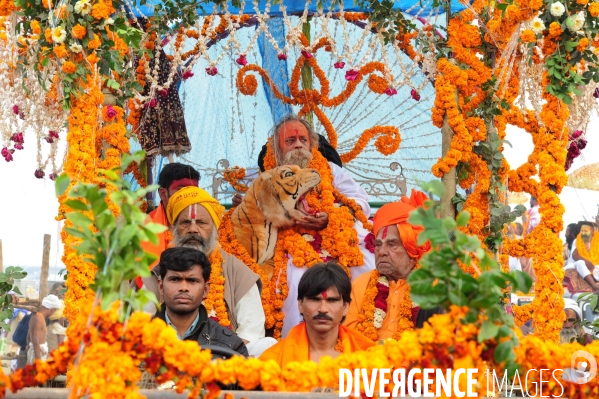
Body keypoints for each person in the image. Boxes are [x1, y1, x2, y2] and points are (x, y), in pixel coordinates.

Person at [234, 115, 375, 337]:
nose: (298, 144)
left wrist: (331, 216)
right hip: (288, 241)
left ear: (312, 144)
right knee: (294, 278)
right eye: (290, 140)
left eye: (303, 140)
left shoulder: (330, 170)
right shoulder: (267, 178)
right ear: (277, 149)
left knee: (367, 263)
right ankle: (297, 342)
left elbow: (359, 202)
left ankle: (361, 334)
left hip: (336, 233)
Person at [149, 186, 275, 356]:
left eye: (201, 223)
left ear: (215, 230)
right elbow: (140, 325)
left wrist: (216, 359)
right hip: (165, 356)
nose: (193, 229)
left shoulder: (237, 271)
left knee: (267, 345)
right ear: (173, 229)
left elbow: (251, 333)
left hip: (222, 357)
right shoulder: (158, 271)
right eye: (185, 223)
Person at [344, 190, 444, 340]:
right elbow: (349, 336)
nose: (382, 252)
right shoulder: (361, 284)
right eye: (378, 244)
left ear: (412, 248)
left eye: (392, 244)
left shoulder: (435, 286)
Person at [260, 262, 374, 367]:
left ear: (346, 307)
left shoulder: (369, 355)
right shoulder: (272, 361)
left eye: (332, 300)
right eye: (315, 299)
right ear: (300, 305)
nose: (323, 309)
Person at [154, 247, 248, 356]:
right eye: (175, 279)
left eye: (192, 280)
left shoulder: (231, 345)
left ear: (205, 290)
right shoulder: (138, 337)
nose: (184, 288)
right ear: (161, 286)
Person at [140, 163, 200, 272]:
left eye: (193, 192)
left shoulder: (204, 224)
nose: (189, 197)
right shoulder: (144, 228)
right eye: (181, 191)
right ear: (163, 194)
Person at [26, 295, 62, 364]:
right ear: (52, 310)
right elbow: (36, 342)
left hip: (37, 353)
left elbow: (28, 337)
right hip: (37, 355)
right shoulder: (38, 319)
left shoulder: (37, 317)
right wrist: (39, 362)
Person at [564, 221, 599, 292]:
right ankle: (594, 286)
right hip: (575, 264)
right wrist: (586, 261)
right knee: (580, 262)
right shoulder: (577, 240)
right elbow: (574, 256)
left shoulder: (595, 242)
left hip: (593, 266)